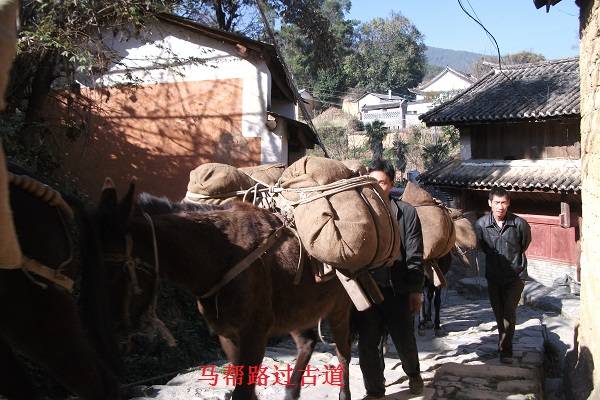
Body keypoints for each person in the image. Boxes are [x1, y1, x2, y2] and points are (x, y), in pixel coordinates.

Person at [355, 159, 425, 399]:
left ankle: (414, 374)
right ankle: (375, 391)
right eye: (372, 182)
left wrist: (416, 290)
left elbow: (415, 253)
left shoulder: (406, 213)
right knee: (368, 345)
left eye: (382, 183)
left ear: (391, 184)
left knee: (404, 340)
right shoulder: (360, 214)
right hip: (368, 291)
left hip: (398, 289)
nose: (377, 187)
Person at [475, 187, 531, 364]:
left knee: (508, 312)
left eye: (504, 202)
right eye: (497, 202)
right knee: (499, 314)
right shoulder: (481, 225)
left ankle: (506, 350)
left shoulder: (519, 224)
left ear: (509, 203)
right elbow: (483, 247)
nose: (501, 206)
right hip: (493, 276)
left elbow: (524, 243)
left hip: (515, 276)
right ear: (490, 203)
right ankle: (503, 343)